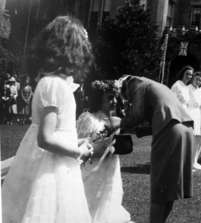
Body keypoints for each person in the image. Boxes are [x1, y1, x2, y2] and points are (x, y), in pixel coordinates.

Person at [2, 16, 94, 223]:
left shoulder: (50, 82)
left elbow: (55, 131)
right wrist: (78, 151)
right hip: (51, 169)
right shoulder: (54, 84)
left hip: (51, 161)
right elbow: (45, 139)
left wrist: (74, 141)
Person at [119, 75, 193, 223]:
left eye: (126, 96)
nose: (128, 99)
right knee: (170, 188)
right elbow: (152, 116)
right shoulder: (156, 86)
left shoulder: (137, 84)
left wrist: (119, 123)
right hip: (186, 130)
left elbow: (137, 115)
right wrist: (137, 130)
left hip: (169, 131)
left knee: (159, 188)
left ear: (126, 86)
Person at [77, 80, 131, 223]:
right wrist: (103, 147)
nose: (113, 101)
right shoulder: (88, 119)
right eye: (109, 98)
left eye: (115, 97)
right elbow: (81, 147)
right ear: (98, 99)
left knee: (109, 199)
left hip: (110, 167)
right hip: (93, 168)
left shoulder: (114, 119)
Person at [187, 71, 201, 170]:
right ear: (193, 78)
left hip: (198, 115)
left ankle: (193, 161)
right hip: (190, 114)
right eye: (197, 79)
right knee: (190, 140)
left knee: (197, 141)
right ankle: (187, 164)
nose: (198, 82)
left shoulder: (200, 90)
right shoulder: (188, 88)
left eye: (200, 80)